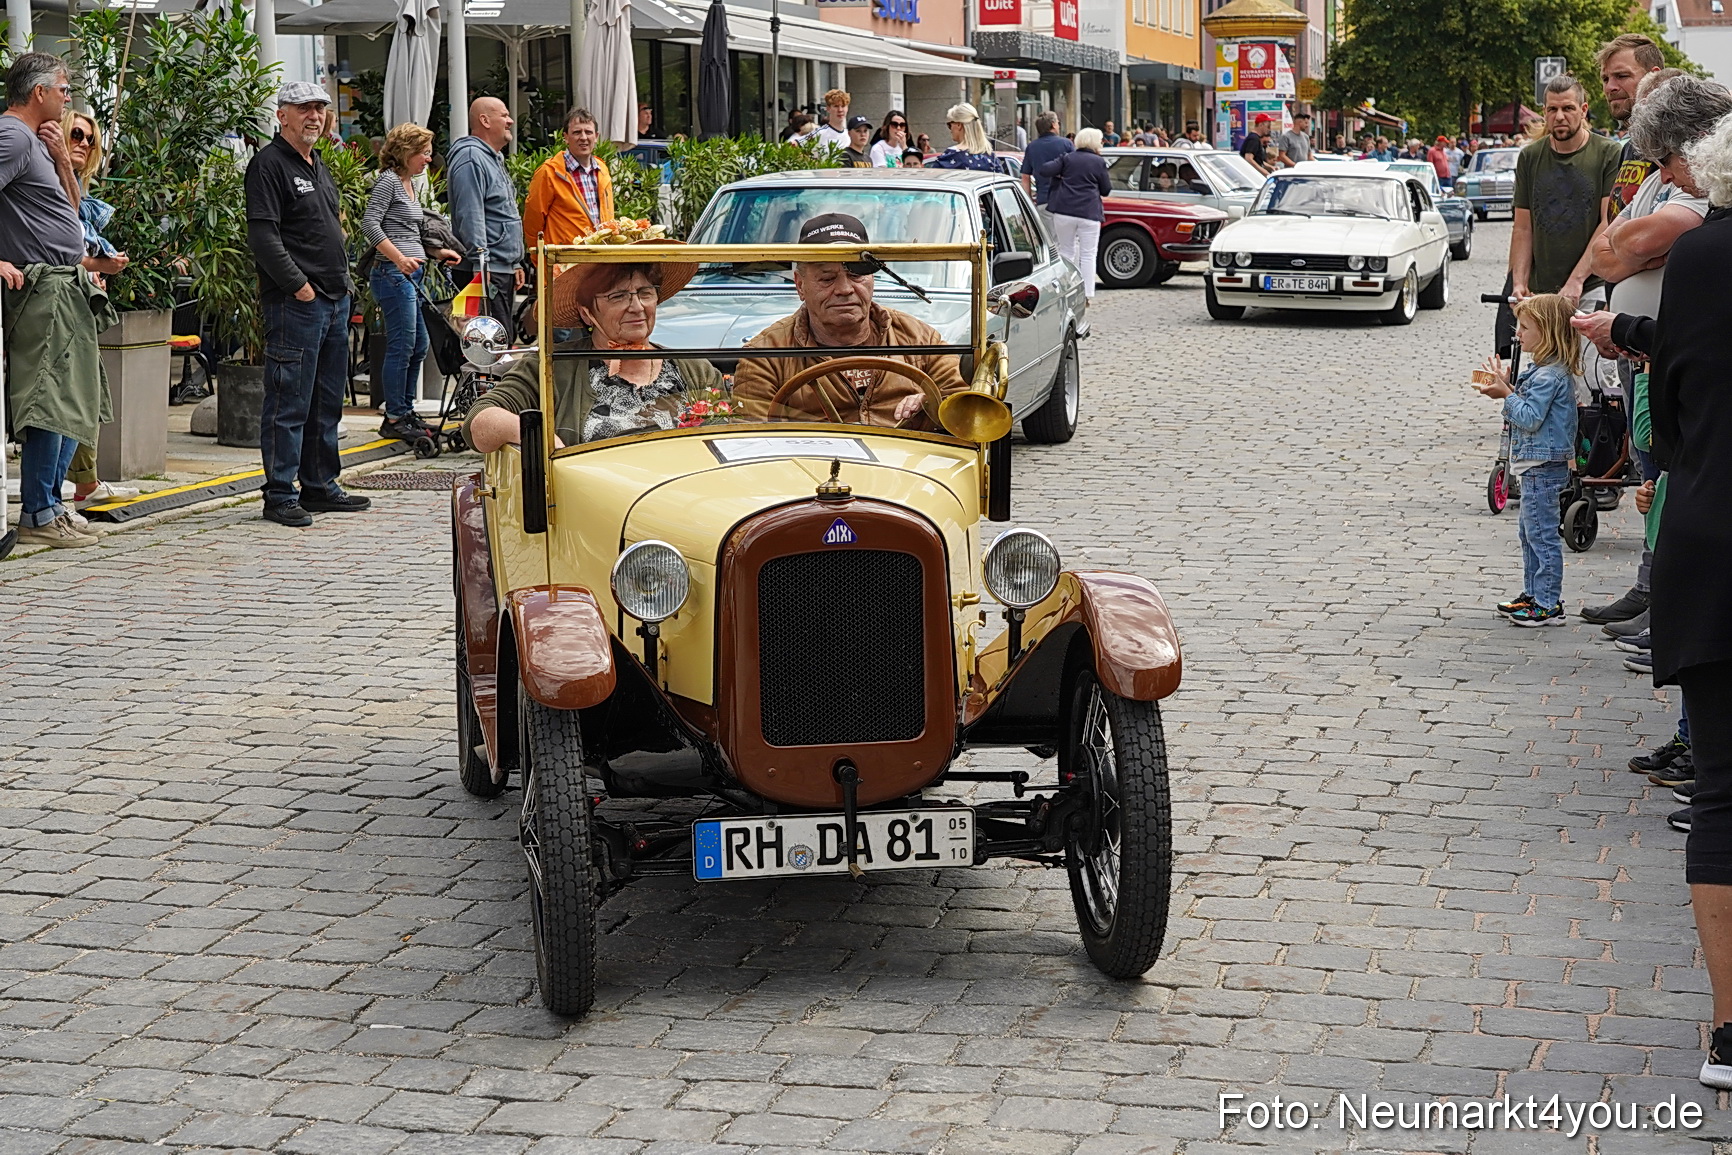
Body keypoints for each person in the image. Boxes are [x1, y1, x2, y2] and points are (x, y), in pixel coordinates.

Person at [1617, 110, 1732, 1091]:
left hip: (1713, 538)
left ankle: (1729, 1035)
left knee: (1724, 793)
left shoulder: (1702, 256)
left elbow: (1683, 401)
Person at [1582, 71, 1719, 629]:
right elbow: (1604, 251)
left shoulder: (1703, 209)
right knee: (1652, 474)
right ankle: (1658, 594)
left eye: (1666, 159)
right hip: (1651, 357)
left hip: (1672, 361)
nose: (1661, 173)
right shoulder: (1662, 183)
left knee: (1673, 480)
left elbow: (1626, 243)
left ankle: (1673, 609)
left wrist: (1625, 324)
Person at [243, 81, 371, 528]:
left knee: (326, 401)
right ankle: (279, 494)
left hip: (334, 299)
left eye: (320, 108)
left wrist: (342, 286)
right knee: (288, 400)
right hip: (296, 303)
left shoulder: (316, 164)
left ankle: (319, 485)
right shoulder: (268, 165)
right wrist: (298, 286)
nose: (314, 116)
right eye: (304, 109)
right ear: (282, 115)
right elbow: (263, 235)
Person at [1, 51, 115, 549]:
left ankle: (52, 504)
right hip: (42, 288)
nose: (68, 98)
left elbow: (71, 211)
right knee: (50, 399)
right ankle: (38, 513)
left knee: (73, 398)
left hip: (67, 284)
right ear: (39, 92)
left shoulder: (35, 142)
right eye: (63, 88)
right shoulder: (10, 135)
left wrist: (57, 162)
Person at [464, 251, 723, 450]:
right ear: (587, 313)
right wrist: (540, 437)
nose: (636, 307)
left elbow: (726, 442)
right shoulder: (552, 367)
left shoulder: (697, 371)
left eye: (645, 293)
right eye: (618, 296)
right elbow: (479, 423)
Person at [732, 213, 966, 428]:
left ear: (872, 280)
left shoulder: (920, 339)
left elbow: (966, 405)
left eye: (856, 275)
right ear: (800, 285)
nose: (845, 289)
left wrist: (932, 401)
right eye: (827, 278)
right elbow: (751, 440)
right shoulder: (765, 355)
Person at [1471, 294, 1582, 627]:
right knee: (1530, 532)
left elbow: (1530, 417)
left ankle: (1547, 603)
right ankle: (1534, 593)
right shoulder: (1542, 371)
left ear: (1546, 332)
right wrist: (1505, 387)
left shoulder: (1550, 376)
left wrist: (1506, 394)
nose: (1518, 334)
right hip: (1536, 465)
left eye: (1524, 327)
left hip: (1542, 467)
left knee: (1542, 535)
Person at [1498, 74, 1622, 350]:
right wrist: (1519, 283)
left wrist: (1576, 281)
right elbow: (1523, 227)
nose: (1560, 116)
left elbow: (1607, 222)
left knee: (1589, 374)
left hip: (1591, 283)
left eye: (1568, 108)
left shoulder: (1608, 153)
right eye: (1552, 109)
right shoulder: (1530, 157)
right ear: (1544, 112)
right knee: (1547, 375)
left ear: (1584, 110)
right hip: (1542, 290)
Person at [59, 108, 136, 513]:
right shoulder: (51, 183)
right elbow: (59, 251)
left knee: (83, 392)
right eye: (76, 133)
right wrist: (96, 266)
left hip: (76, 298)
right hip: (54, 299)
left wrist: (95, 269)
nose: (83, 143)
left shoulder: (78, 190)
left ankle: (80, 484)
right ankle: (57, 496)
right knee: (71, 396)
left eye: (90, 139)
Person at [364, 123, 458, 442]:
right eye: (425, 153)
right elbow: (370, 225)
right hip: (393, 274)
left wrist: (436, 251)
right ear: (407, 152)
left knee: (417, 345)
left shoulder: (409, 183)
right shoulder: (389, 182)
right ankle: (394, 416)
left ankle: (404, 410)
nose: (429, 160)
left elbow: (410, 234)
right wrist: (398, 259)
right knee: (403, 345)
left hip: (411, 272)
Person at [447, 96, 524, 333]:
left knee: (497, 340)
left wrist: (515, 262)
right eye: (504, 115)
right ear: (485, 120)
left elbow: (499, 211)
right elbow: (471, 214)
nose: (510, 121)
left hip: (498, 268)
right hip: (484, 272)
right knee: (489, 345)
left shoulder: (490, 157)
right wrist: (482, 262)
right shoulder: (471, 158)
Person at [523, 107, 615, 253]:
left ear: (596, 136)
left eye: (588, 132)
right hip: (563, 261)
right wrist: (540, 260)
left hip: (598, 259)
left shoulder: (602, 169)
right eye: (577, 132)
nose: (583, 137)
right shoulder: (549, 172)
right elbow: (532, 224)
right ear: (565, 137)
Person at [1600, 32, 1667, 218]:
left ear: (1654, 77)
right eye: (1605, 79)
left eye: (1621, 76)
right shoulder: (1630, 146)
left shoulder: (1674, 145)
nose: (1609, 87)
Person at [1041, 127, 1112, 302]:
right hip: (1089, 212)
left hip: (1064, 211)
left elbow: (1045, 169)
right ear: (1094, 142)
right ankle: (1087, 293)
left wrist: (1060, 175)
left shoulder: (1067, 158)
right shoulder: (1098, 162)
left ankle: (1066, 289)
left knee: (1065, 251)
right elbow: (1106, 190)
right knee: (1088, 254)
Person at [1021, 110, 1073, 222]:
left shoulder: (1032, 147)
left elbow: (1025, 177)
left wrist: (1029, 201)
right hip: (1065, 199)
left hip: (1043, 200)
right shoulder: (1066, 144)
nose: (1059, 126)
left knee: (1049, 237)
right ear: (1053, 125)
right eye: (1058, 123)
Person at [927, 103, 1003, 173]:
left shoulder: (952, 156)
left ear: (959, 125)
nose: (950, 130)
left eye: (950, 125)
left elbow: (934, 180)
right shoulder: (991, 157)